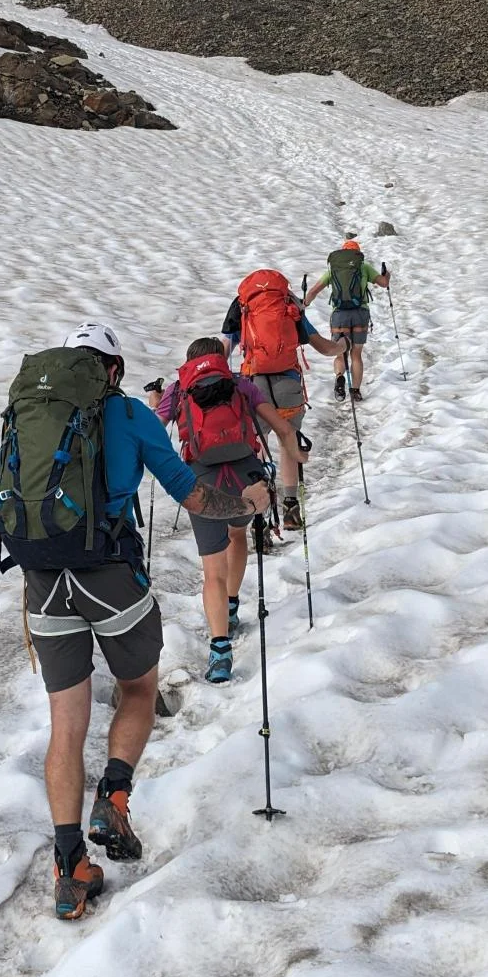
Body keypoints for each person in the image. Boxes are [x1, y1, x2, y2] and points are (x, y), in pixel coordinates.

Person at [0, 322, 269, 920]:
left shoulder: (28, 416)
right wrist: (246, 504)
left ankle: (70, 871)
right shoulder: (131, 417)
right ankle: (114, 795)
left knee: (66, 725)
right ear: (112, 371)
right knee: (139, 688)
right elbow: (192, 497)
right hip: (110, 575)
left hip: (43, 584)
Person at [149, 338, 306, 683]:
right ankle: (233, 605)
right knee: (237, 534)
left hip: (201, 480)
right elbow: (281, 429)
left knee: (212, 569)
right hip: (245, 475)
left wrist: (156, 405)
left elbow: (152, 432)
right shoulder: (240, 385)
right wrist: (296, 456)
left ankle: (220, 649)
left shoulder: (179, 390)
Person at [219, 269, 347, 531]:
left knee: (257, 445)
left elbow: (223, 349)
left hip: (254, 384)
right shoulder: (288, 302)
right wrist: (342, 347)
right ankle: (290, 507)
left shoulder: (243, 305)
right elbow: (323, 347)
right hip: (288, 382)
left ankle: (260, 517)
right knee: (288, 439)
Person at [303, 237, 391, 402]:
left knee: (340, 352)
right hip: (360, 313)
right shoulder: (363, 267)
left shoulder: (334, 270)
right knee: (356, 354)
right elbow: (384, 283)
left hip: (339, 315)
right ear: (357, 253)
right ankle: (355, 391)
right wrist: (387, 275)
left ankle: (339, 377)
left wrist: (304, 304)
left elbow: (314, 290)